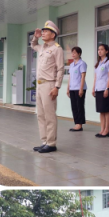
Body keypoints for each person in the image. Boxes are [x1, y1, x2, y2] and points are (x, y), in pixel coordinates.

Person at [30, 20, 65, 153]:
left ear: (53, 34)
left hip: (49, 85)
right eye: (43, 31)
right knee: (41, 115)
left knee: (49, 115)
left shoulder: (57, 49)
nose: (43, 33)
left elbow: (61, 69)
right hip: (39, 85)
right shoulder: (41, 47)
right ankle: (44, 141)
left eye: (46, 31)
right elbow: (33, 45)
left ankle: (51, 143)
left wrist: (57, 87)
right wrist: (36, 37)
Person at [91, 44, 109, 138]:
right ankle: (102, 129)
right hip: (98, 89)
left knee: (106, 110)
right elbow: (95, 77)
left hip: (105, 88)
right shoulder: (98, 63)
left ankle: (107, 130)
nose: (99, 51)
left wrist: (107, 89)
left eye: (101, 49)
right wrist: (93, 88)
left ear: (106, 51)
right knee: (101, 111)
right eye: (98, 49)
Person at [66, 47, 87, 132]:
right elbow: (70, 77)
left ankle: (80, 124)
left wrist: (81, 89)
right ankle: (76, 123)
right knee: (74, 106)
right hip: (72, 88)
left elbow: (83, 77)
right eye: (72, 52)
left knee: (79, 106)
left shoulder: (82, 64)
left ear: (79, 53)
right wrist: (68, 88)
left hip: (79, 88)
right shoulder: (71, 65)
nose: (73, 54)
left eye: (75, 52)